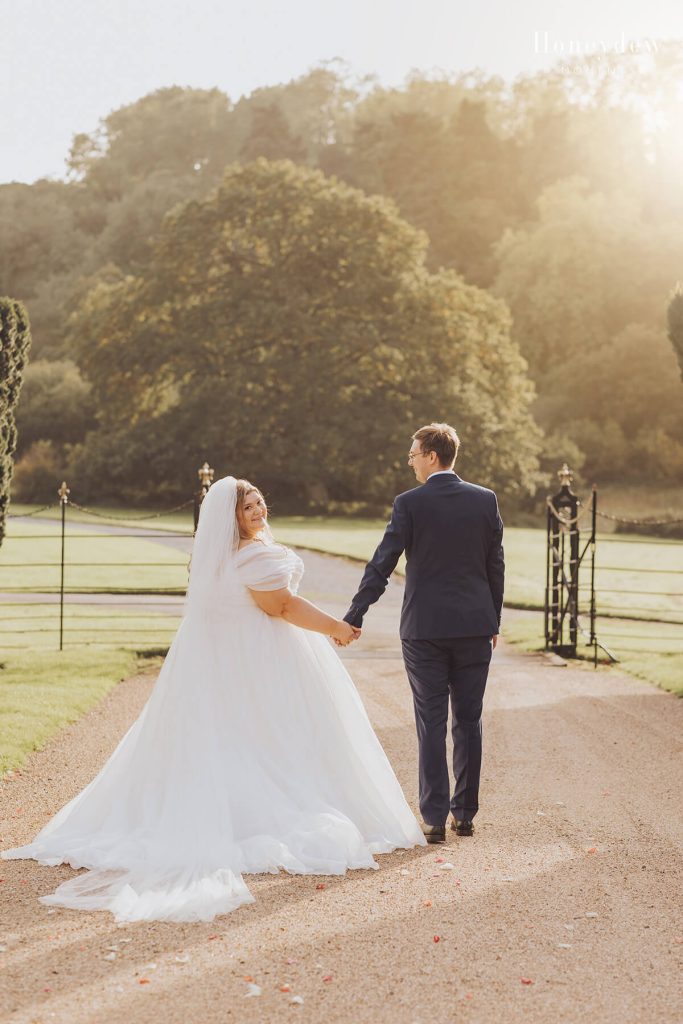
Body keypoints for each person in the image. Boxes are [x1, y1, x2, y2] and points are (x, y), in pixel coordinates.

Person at [1, 476, 425, 922]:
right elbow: (280, 607)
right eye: (248, 508)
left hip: (227, 656)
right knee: (273, 733)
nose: (259, 510)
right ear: (231, 518)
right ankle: (254, 816)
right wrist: (337, 628)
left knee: (235, 734)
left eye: (260, 502)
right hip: (262, 656)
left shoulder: (222, 559)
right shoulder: (254, 557)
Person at [343, 423, 504, 844]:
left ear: (432, 455)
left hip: (424, 630)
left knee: (431, 721)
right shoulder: (485, 500)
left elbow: (383, 563)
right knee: (468, 719)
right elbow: (495, 567)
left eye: (413, 454)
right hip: (474, 629)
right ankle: (464, 814)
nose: (411, 461)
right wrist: (493, 621)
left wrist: (355, 613)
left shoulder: (409, 503)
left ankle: (433, 818)